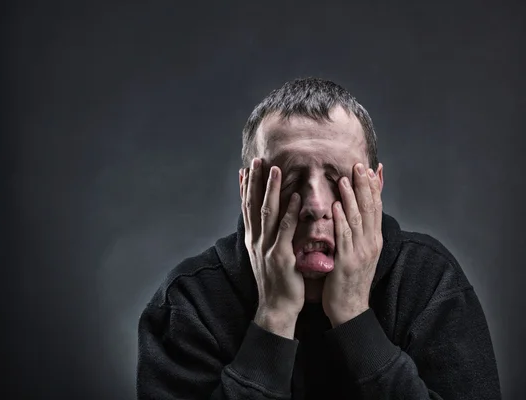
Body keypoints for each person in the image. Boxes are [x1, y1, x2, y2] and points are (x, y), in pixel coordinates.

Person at [136, 77, 501, 399]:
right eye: (290, 178)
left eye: (338, 178)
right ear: (249, 190)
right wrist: (274, 317)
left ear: (374, 187)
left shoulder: (430, 282)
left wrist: (354, 318)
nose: (314, 205)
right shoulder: (188, 303)